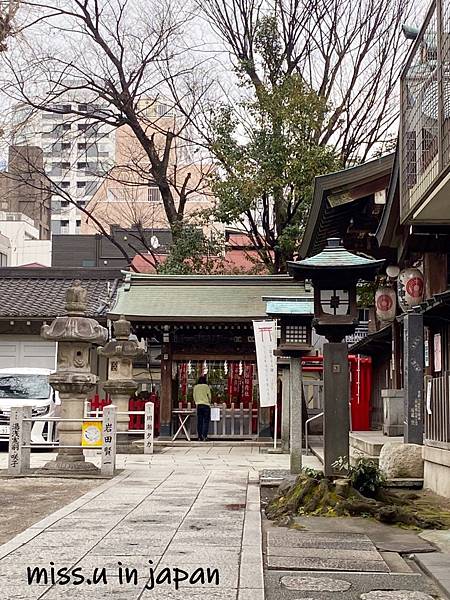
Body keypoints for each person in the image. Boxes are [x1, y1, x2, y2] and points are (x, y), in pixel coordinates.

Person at [193, 375, 212, 441]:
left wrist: (196, 402)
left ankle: (199, 436)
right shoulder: (206, 386)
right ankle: (204, 436)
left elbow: (194, 396)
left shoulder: (195, 387)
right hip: (206, 405)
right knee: (206, 421)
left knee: (199, 421)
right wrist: (209, 402)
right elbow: (209, 396)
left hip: (199, 405)